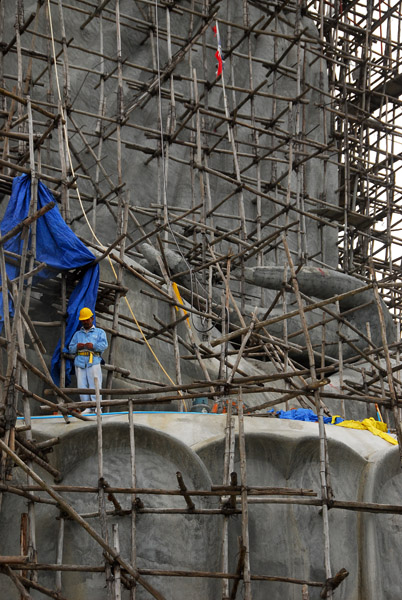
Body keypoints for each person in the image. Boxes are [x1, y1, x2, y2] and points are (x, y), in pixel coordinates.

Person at [68, 307, 108, 415]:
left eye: (87, 319)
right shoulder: (77, 334)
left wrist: (93, 346)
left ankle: (97, 407)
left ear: (92, 318)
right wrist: (77, 347)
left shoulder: (100, 332)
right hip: (80, 362)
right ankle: (87, 407)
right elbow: (70, 348)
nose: (85, 322)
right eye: (83, 320)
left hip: (94, 361)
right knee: (82, 385)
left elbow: (104, 345)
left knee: (95, 384)